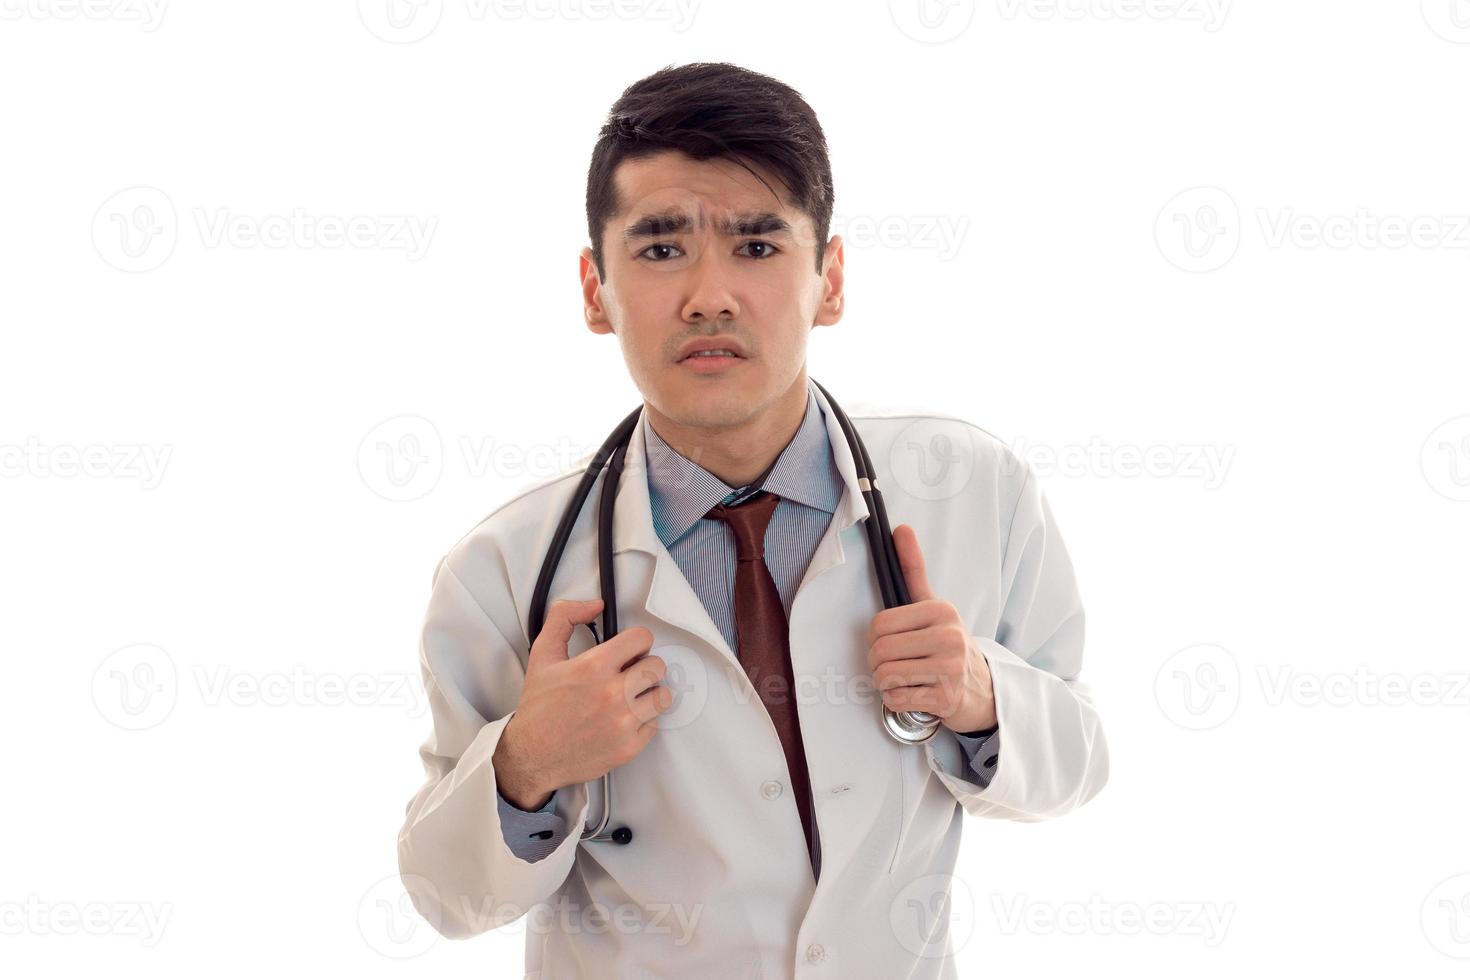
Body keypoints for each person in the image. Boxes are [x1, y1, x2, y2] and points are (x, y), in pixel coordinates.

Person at [395, 61, 1108, 979]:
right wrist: (526, 762)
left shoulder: (971, 486)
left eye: (758, 246)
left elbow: (1080, 762)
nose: (709, 296)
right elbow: (443, 895)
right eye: (659, 249)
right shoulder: (505, 569)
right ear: (593, 290)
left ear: (832, 278)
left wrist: (978, 696)